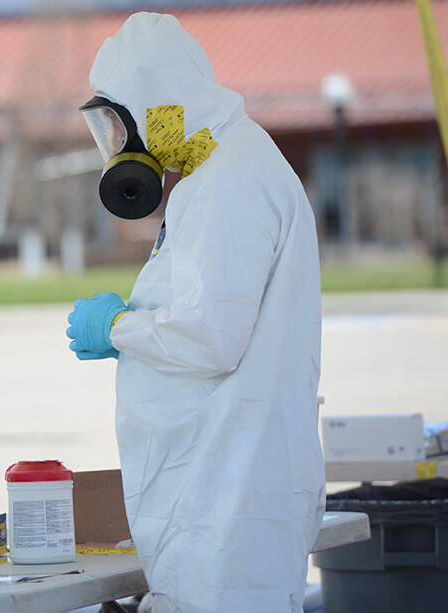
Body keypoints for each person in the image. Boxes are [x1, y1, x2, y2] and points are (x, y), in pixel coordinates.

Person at [65, 13, 325, 612]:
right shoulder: (217, 170)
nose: (116, 148)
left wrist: (119, 328)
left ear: (158, 106)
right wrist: (133, 325)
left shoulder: (230, 180)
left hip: (227, 498)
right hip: (220, 487)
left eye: (117, 124)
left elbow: (213, 337)